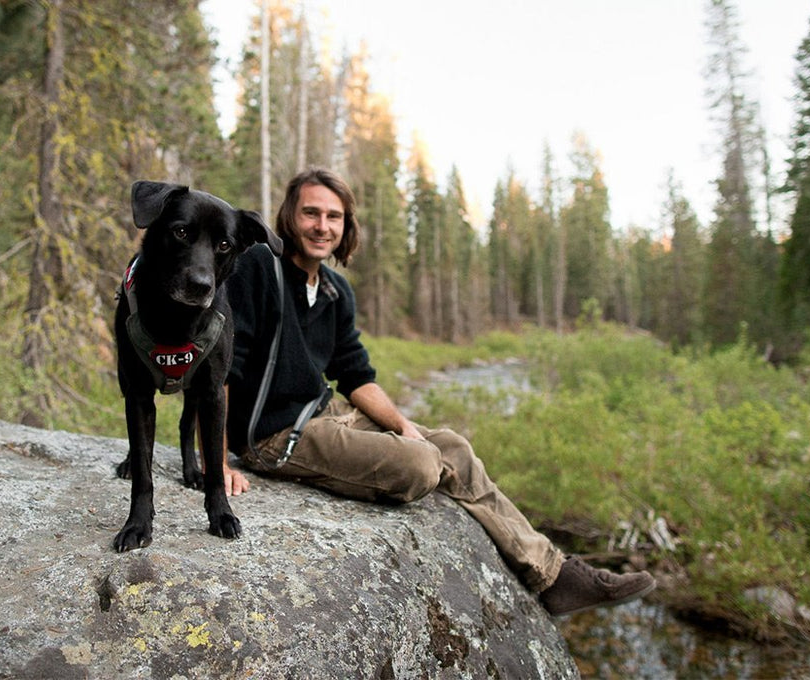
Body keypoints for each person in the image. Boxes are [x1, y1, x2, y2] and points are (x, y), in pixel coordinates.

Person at [220, 167, 655, 616]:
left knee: (450, 446)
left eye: (334, 216)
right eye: (311, 213)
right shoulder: (258, 267)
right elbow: (223, 369)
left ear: (346, 226)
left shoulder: (335, 290)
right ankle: (548, 572)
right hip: (275, 436)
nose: (322, 226)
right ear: (290, 217)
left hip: (326, 411)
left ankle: (555, 576)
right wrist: (218, 462)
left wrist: (405, 425)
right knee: (421, 464)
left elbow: (356, 376)